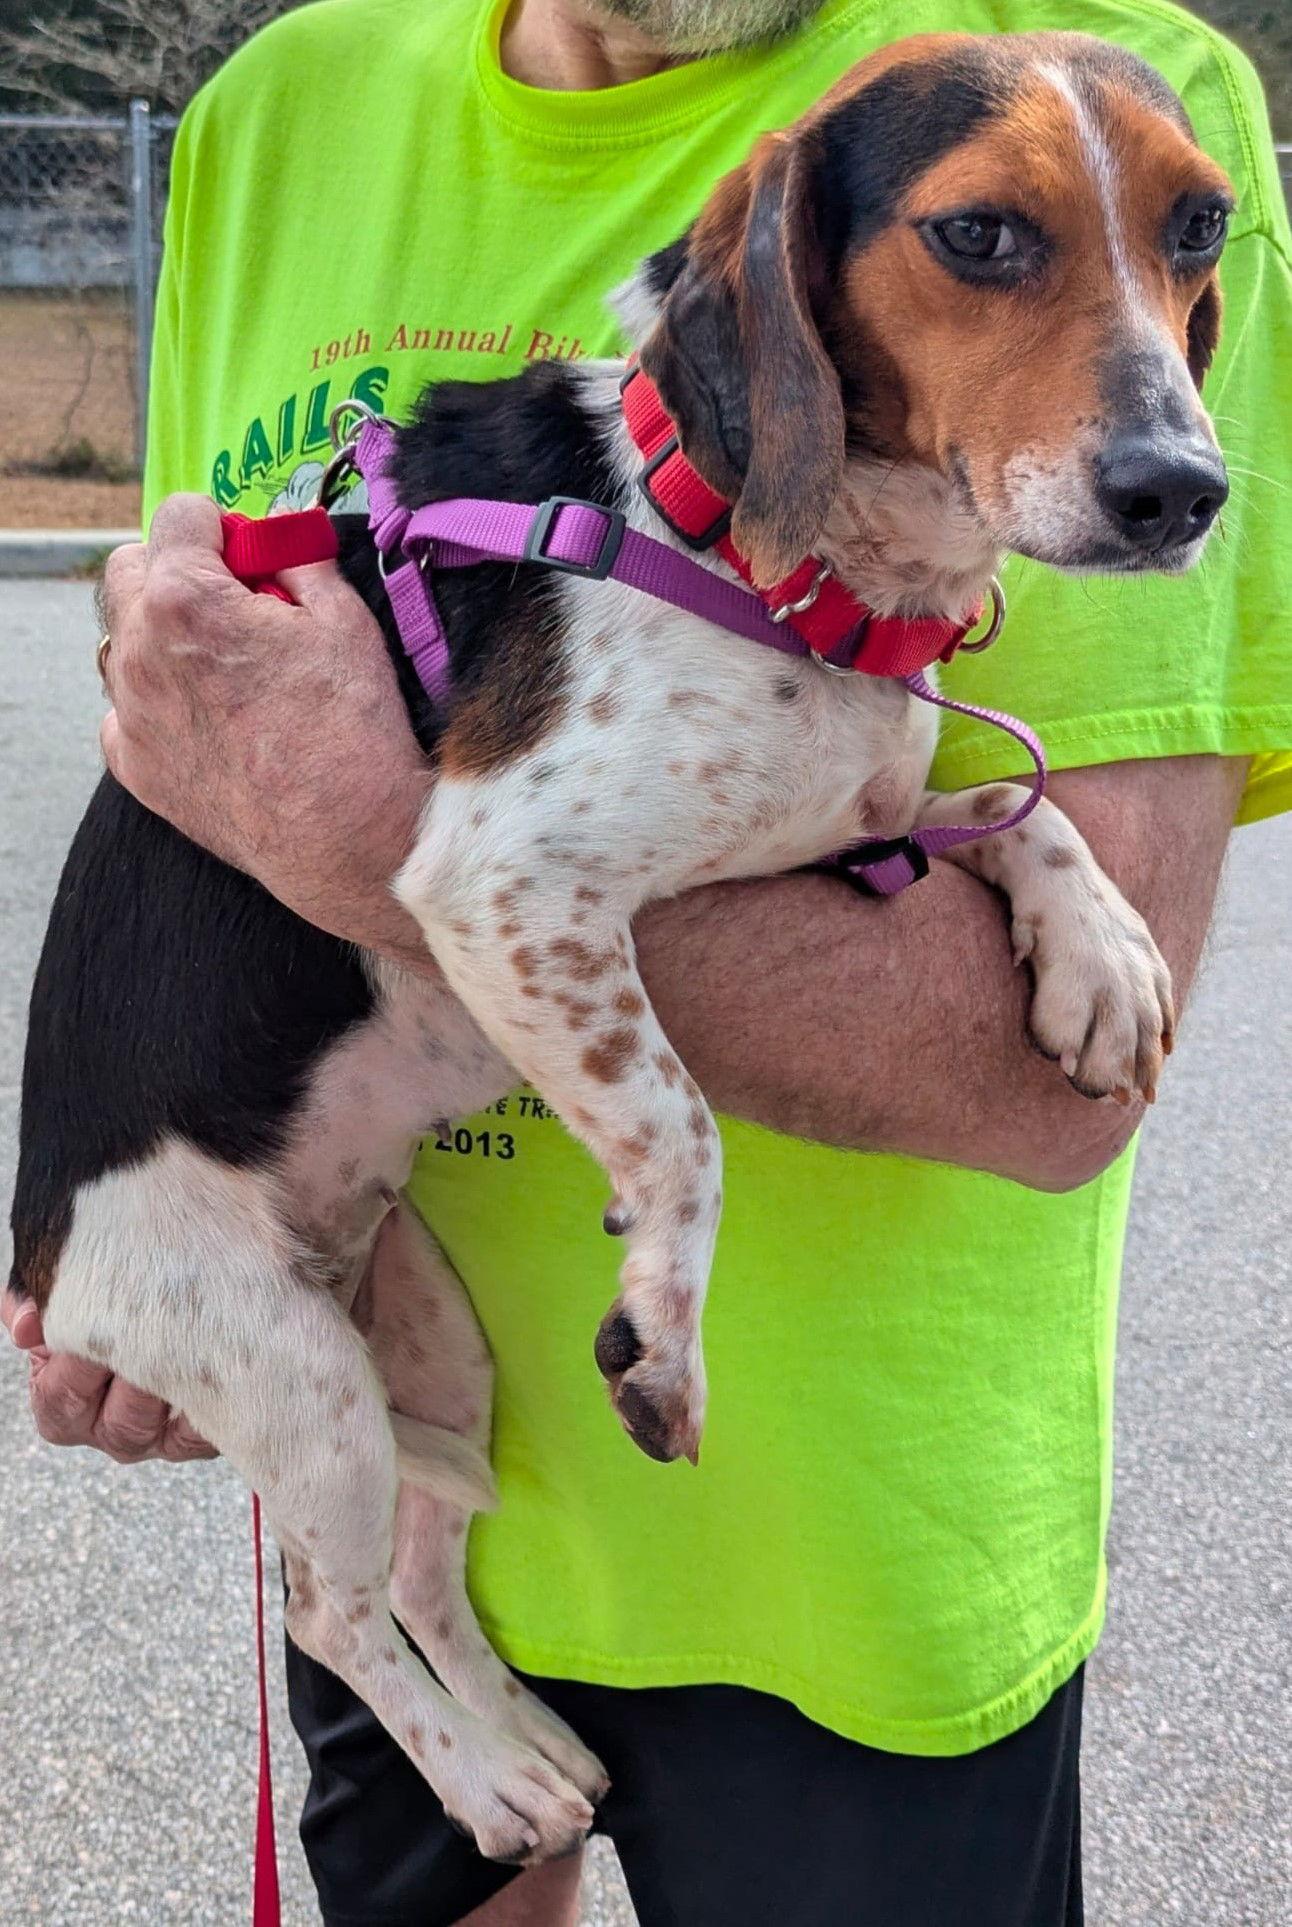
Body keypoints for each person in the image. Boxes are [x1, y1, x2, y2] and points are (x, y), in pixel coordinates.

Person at [6, 0, 1292, 1921]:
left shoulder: (1112, 97)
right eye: (985, 246)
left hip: (846, 1577)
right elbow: (221, 708)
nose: (1152, 366)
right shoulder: (270, 109)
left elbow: (1057, 1082)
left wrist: (370, 824)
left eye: (1171, 259)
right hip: (408, 1418)